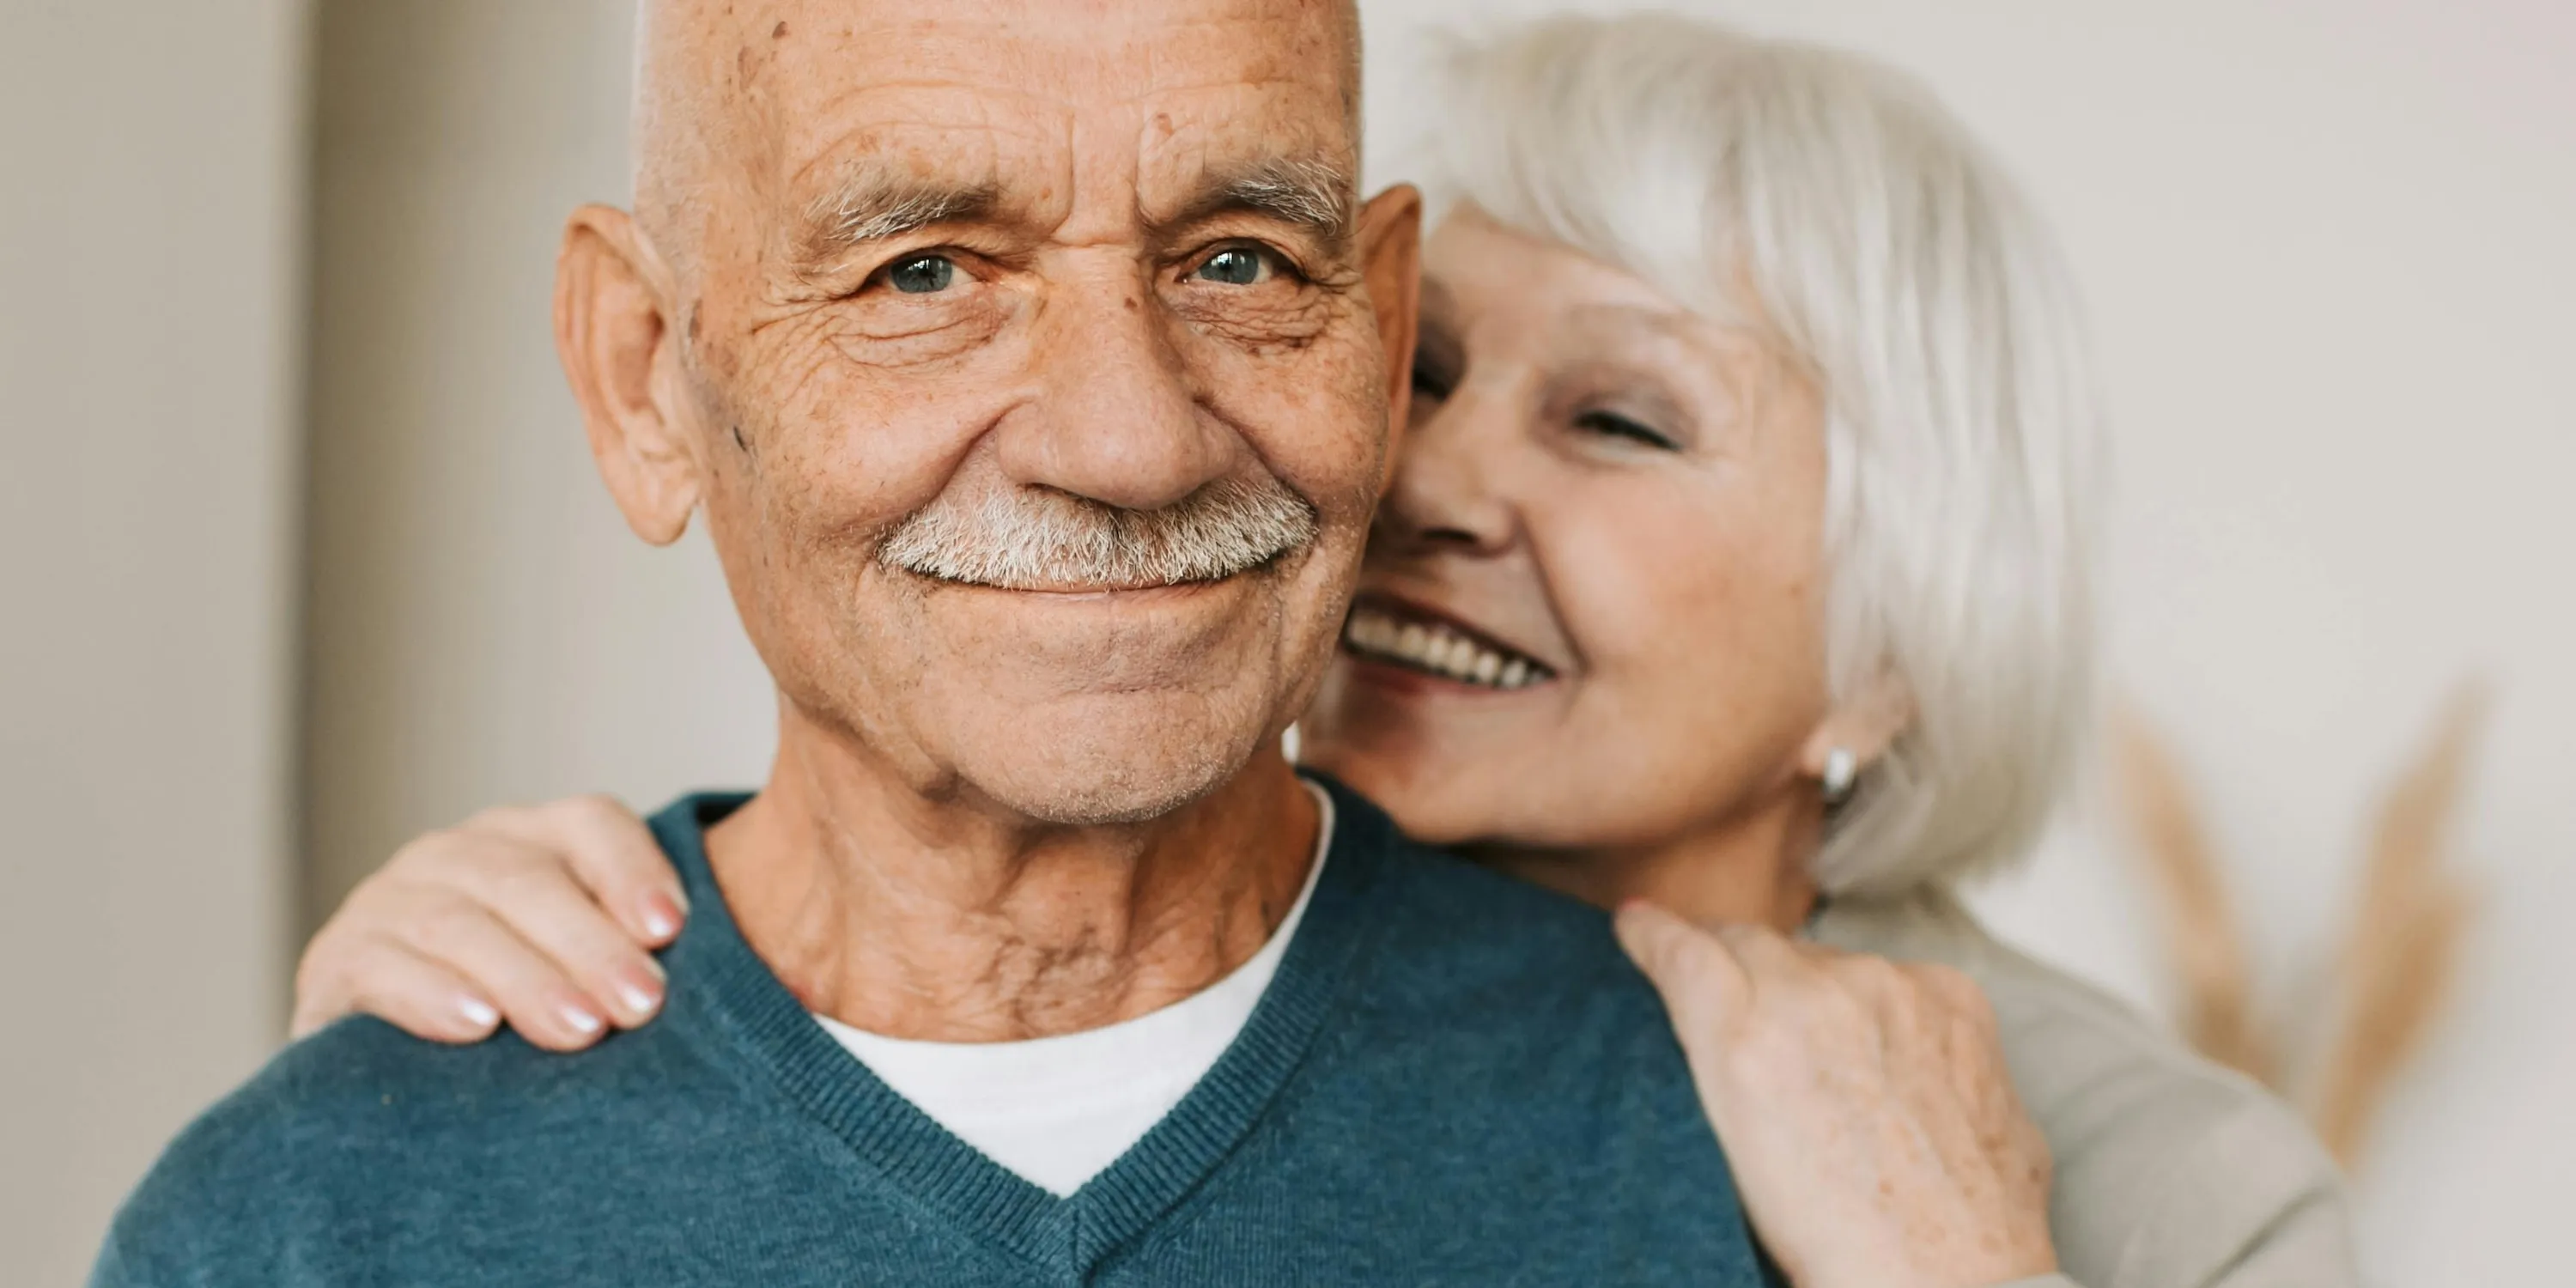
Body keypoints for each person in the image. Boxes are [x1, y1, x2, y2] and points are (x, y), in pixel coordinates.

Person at [289, 12, 2363, 1288]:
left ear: (1903, 639)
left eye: (1620, 420)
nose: (1423, 475)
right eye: (1424, 366)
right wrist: (443, 1083)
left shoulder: (2157, 1183)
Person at [91, 3, 1812, 1285]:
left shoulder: (1760, 1152)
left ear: (1373, 322)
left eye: (1236, 255)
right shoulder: (308, 1220)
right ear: (644, 377)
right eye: (923, 273)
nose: (1129, 441)